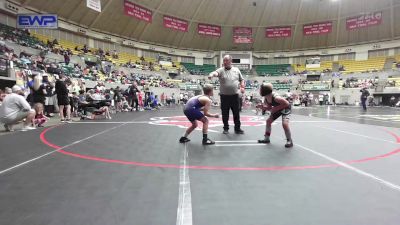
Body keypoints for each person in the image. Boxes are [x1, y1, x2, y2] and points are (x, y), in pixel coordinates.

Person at [209, 55, 245, 134]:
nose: (224, 62)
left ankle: (237, 128)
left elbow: (241, 79)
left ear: (230, 61)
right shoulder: (221, 70)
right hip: (224, 96)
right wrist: (211, 74)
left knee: (236, 113)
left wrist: (242, 86)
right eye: (224, 60)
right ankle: (226, 129)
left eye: (226, 60)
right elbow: (215, 73)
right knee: (225, 114)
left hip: (235, 96)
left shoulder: (236, 70)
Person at [256, 83, 293, 148]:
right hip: (278, 108)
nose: (259, 91)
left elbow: (287, 103)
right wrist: (262, 107)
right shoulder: (266, 98)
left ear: (265, 91)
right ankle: (267, 138)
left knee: (285, 124)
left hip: (286, 108)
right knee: (268, 121)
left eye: (260, 89)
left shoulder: (276, 98)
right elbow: (269, 108)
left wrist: (275, 108)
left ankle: (289, 141)